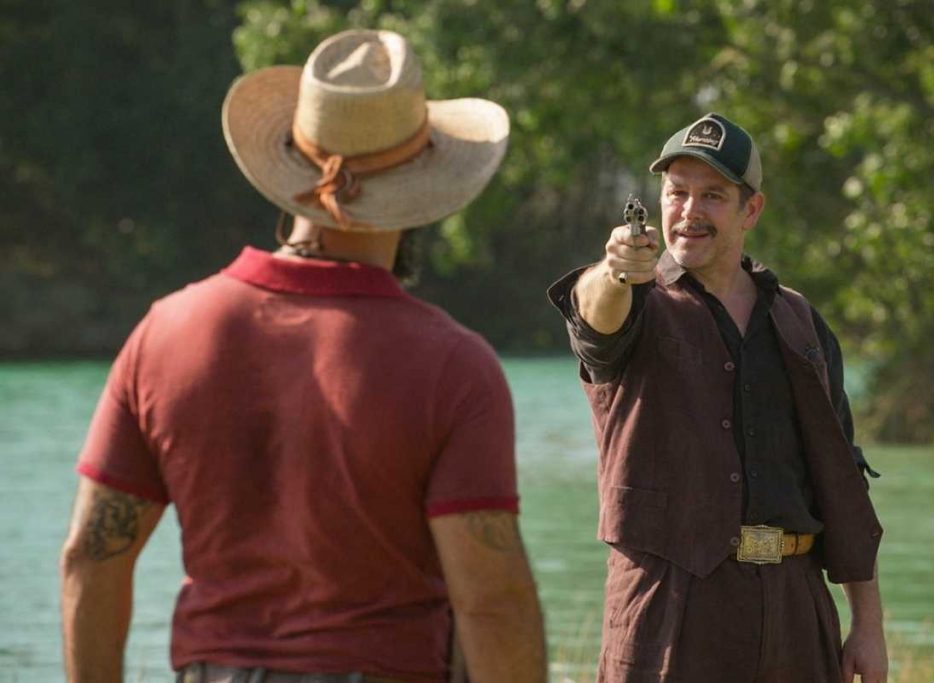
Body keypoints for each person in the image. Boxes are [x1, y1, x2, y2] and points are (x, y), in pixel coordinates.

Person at [60, 29, 546, 683]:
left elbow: (92, 556)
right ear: (421, 185)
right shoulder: (452, 365)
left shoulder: (167, 331)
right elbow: (490, 601)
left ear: (289, 167)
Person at [548, 113, 887, 682]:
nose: (689, 211)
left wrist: (868, 626)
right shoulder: (633, 300)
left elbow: (842, 481)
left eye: (713, 196)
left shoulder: (800, 321)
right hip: (667, 613)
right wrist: (614, 271)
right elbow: (593, 316)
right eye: (676, 193)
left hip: (794, 611)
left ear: (750, 209)